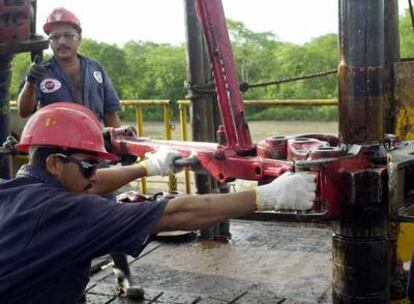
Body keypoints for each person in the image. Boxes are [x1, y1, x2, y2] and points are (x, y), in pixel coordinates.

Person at [0, 102, 317, 304]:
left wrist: (148, 167)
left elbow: (90, 184)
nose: (94, 175)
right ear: (54, 163)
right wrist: (269, 196)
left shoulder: (12, 192)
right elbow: (179, 213)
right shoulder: (67, 212)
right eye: (88, 165)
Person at [15, 7, 139, 299]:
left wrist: (119, 144)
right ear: (49, 42)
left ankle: (124, 276)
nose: (62, 42)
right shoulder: (41, 71)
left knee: (109, 211)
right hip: (59, 160)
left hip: (92, 153)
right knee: (59, 222)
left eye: (68, 35)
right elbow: (23, 110)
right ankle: (68, 285)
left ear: (79, 38)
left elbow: (110, 112)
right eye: (55, 37)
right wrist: (31, 82)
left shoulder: (95, 69)